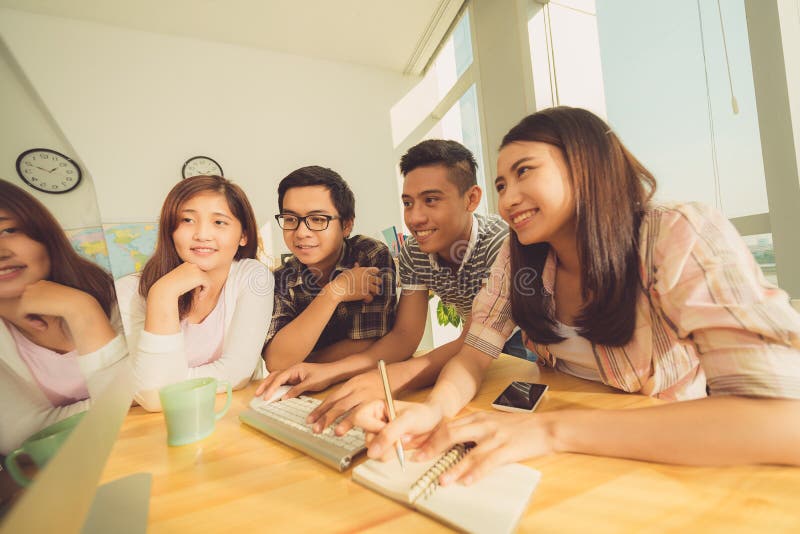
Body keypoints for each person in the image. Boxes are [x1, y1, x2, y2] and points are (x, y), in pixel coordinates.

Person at [353, 107, 800, 480]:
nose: (507, 199)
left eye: (524, 171)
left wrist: (551, 431)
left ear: (586, 165)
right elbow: (474, 353)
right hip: (570, 448)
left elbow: (785, 420)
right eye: (502, 185)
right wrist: (434, 411)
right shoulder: (518, 257)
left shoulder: (675, 233)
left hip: (665, 454)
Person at [268, 140, 512, 434]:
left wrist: (387, 378)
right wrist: (332, 372)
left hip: (520, 347)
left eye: (431, 200)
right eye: (408, 203)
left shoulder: (500, 244)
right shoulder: (414, 252)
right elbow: (405, 336)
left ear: (471, 199)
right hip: (476, 355)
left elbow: (473, 340)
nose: (414, 218)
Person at [116, 175, 273, 411]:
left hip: (229, 413)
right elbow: (150, 397)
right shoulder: (130, 291)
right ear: (170, 230)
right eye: (188, 220)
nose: (202, 234)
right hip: (150, 427)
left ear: (243, 235)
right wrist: (163, 294)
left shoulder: (253, 276)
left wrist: (163, 386)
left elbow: (237, 373)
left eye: (219, 222)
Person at [0, 180, 127, 455]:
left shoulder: (110, 292)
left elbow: (140, 397)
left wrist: (81, 308)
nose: (2, 252)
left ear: (43, 234)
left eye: (8, 230)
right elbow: (23, 437)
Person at [255, 166, 397, 397]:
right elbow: (278, 361)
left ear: (347, 225)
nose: (301, 232)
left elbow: (373, 342)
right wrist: (334, 292)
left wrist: (302, 357)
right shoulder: (282, 277)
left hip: (371, 384)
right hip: (305, 391)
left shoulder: (368, 255)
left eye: (317, 219)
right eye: (291, 219)